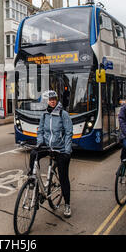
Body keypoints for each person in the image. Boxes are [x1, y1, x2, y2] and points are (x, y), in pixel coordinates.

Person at [30, 90, 73, 218]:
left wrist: (67, 150)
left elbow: (69, 133)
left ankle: (67, 205)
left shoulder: (63, 114)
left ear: (56, 100)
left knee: (63, 177)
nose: (52, 101)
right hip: (47, 146)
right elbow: (41, 131)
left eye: (54, 99)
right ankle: (32, 179)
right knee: (33, 154)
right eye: (50, 99)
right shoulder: (44, 115)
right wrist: (39, 143)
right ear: (47, 101)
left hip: (60, 149)